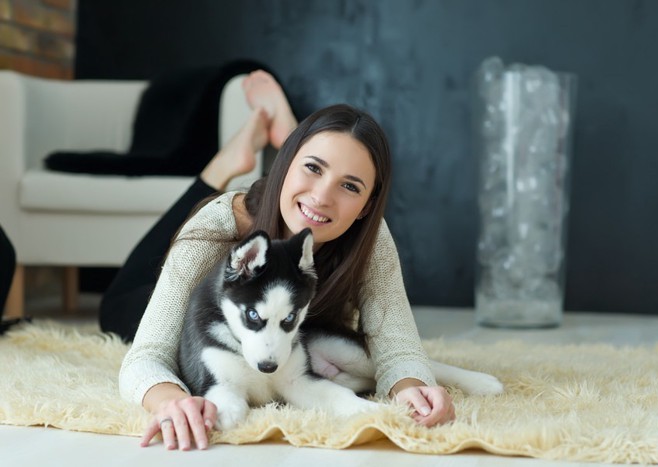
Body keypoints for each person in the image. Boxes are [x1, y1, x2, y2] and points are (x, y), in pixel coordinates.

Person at [105, 70, 455, 451]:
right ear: (284, 165)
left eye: (349, 185)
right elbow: (146, 357)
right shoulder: (221, 223)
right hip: (160, 296)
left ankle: (300, 148)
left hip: (272, 322)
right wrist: (173, 401)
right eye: (313, 167)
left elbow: (398, 346)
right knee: (115, 309)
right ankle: (224, 164)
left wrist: (412, 389)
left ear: (366, 207)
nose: (322, 197)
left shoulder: (370, 239)